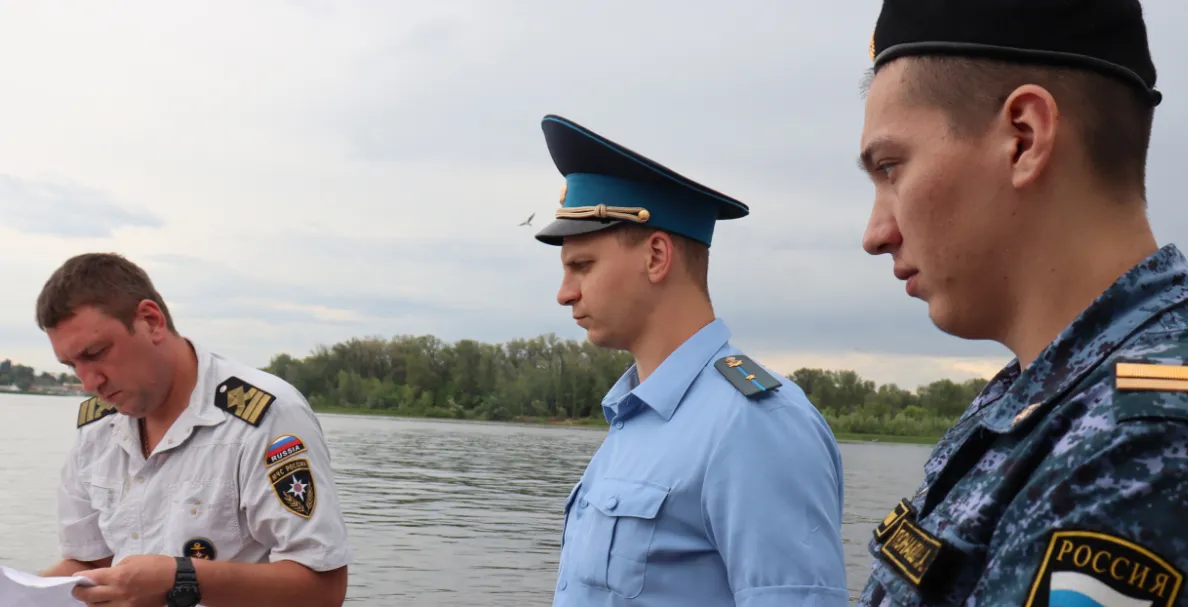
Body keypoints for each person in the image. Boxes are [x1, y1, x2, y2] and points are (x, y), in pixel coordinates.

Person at [856, 0, 1187, 605]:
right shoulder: (1039, 399)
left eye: (891, 167)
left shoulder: (1139, 441)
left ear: (1023, 138)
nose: (876, 234)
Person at [533, 114, 849, 606]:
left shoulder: (755, 424)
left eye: (582, 265)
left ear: (656, 256)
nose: (564, 293)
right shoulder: (635, 417)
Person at [33, 253, 352, 607]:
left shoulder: (266, 416)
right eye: (72, 365)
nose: (88, 382)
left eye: (96, 353)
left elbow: (323, 589)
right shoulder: (97, 428)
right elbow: (91, 563)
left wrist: (182, 580)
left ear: (151, 321)